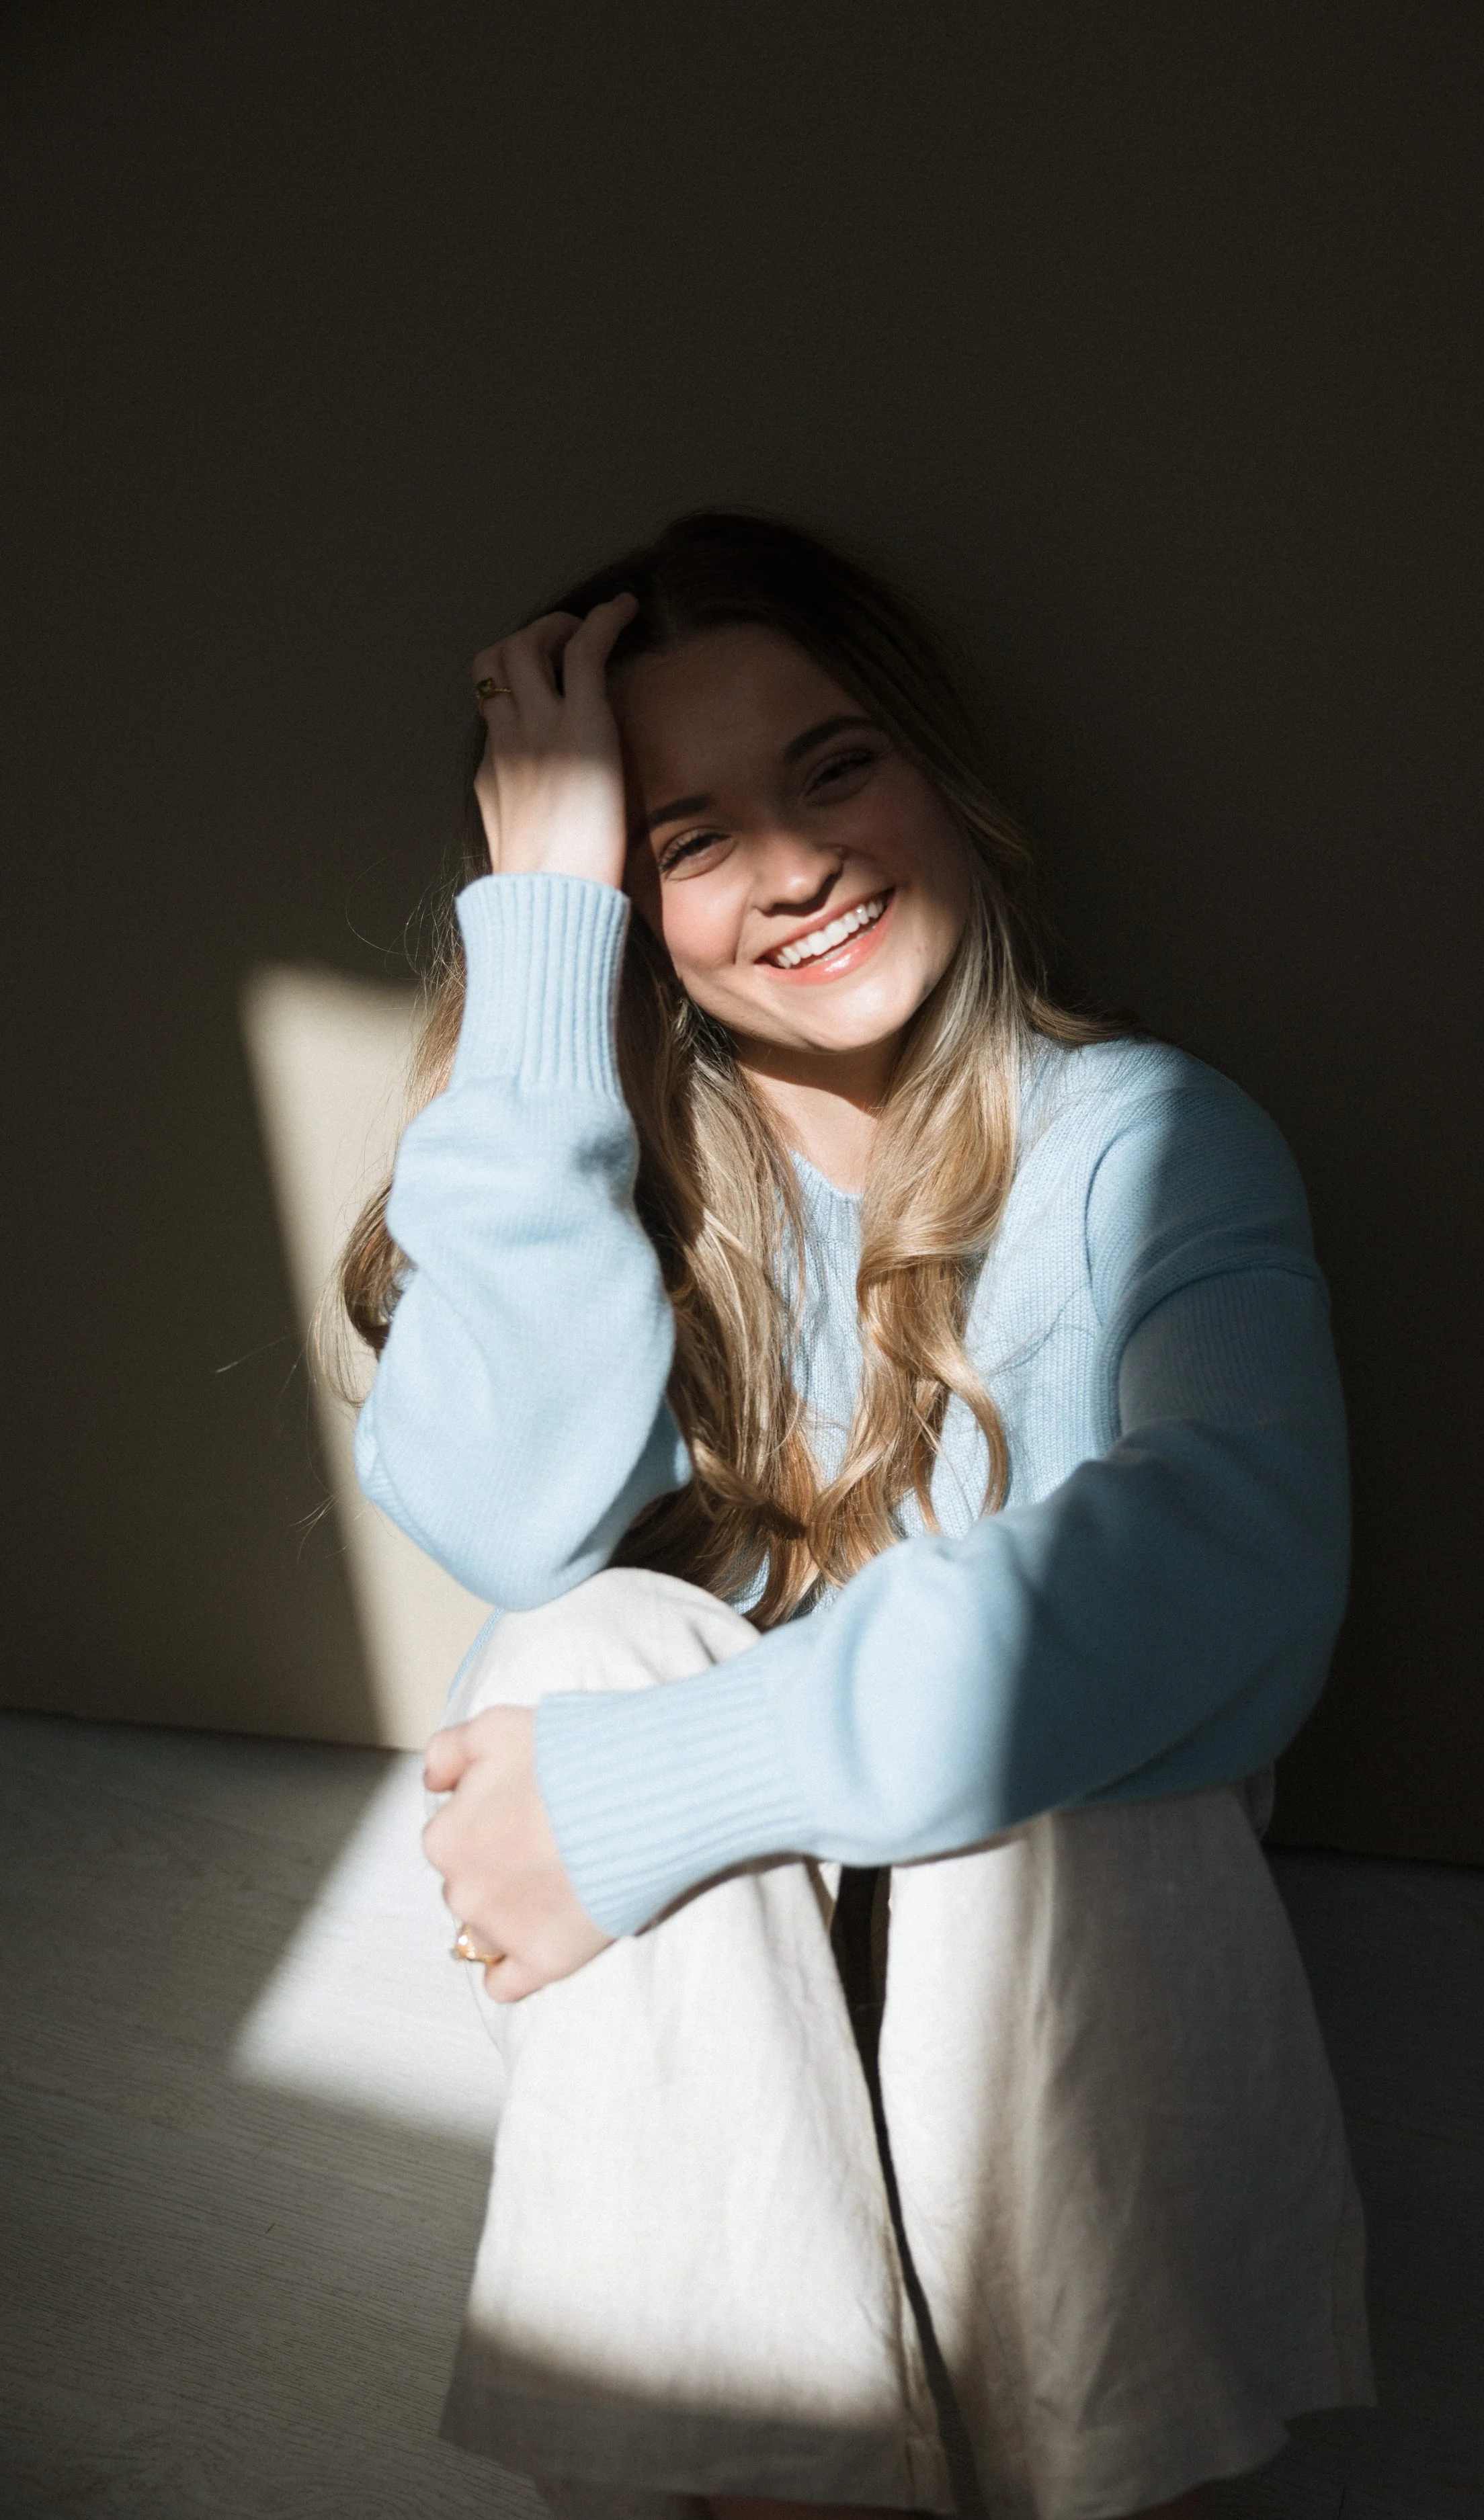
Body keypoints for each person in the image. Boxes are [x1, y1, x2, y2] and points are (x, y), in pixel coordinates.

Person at [339, 512, 1374, 2520]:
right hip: (715, 2035)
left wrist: (658, 1790)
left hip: (1061, 2012)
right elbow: (508, 1512)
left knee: (1058, 1709)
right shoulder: (612, 1192)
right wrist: (542, 932)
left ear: (938, 773)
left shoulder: (1138, 1143)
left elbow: (1231, 1569)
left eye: (833, 768)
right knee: (580, 1635)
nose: (796, 865)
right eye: (685, 838)